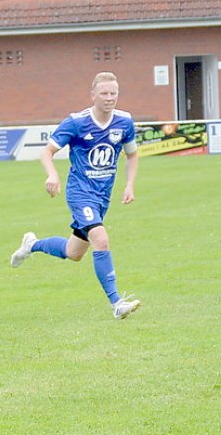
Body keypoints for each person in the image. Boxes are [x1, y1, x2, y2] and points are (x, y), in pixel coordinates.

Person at [9, 71, 142, 320]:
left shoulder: (125, 122)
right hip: (80, 192)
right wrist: (52, 175)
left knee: (74, 253)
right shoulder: (77, 122)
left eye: (114, 93)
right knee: (100, 239)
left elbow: (132, 155)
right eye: (104, 93)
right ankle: (116, 303)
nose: (109, 98)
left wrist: (130, 184)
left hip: (102, 196)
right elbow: (47, 152)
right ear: (93, 95)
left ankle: (32, 245)